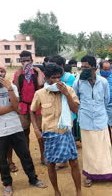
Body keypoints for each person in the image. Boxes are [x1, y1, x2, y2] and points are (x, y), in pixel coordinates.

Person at [0, 65, 47, 196]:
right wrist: (13, 108)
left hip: (15, 127)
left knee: (25, 155)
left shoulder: (12, 87)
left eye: (2, 71)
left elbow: (16, 104)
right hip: (0, 129)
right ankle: (7, 183)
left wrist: (9, 89)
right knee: (2, 159)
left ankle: (33, 178)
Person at [30, 64, 82, 196]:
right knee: (51, 163)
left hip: (66, 132)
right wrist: (36, 129)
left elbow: (75, 109)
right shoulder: (40, 93)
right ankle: (57, 191)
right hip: (50, 132)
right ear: (47, 78)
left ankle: (78, 191)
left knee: (74, 162)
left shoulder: (68, 89)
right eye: (54, 78)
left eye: (59, 77)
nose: (58, 80)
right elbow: (32, 111)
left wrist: (66, 94)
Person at [73, 55, 112, 187]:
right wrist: (82, 112)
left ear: (94, 68)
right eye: (82, 67)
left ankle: (109, 173)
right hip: (86, 120)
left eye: (86, 67)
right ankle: (89, 175)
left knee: (105, 148)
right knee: (89, 150)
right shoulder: (78, 81)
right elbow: (75, 99)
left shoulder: (103, 82)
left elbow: (106, 100)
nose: (83, 70)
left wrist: (99, 112)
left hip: (101, 119)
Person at [13, 50, 45, 165]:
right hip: (24, 106)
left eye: (28, 60)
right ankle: (27, 158)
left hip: (37, 106)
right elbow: (15, 87)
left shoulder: (36, 72)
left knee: (40, 131)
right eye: (23, 61)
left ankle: (43, 156)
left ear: (32, 61)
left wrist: (39, 71)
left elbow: (41, 84)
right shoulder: (18, 73)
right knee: (24, 132)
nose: (25, 63)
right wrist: (19, 74)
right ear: (20, 61)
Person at [49, 55, 76, 169]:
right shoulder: (50, 78)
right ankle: (62, 158)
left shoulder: (69, 77)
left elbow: (65, 91)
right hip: (55, 111)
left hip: (67, 110)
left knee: (67, 136)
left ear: (61, 66)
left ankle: (65, 160)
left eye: (53, 64)